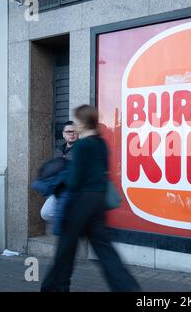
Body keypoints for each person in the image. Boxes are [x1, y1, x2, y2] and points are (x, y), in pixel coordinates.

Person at [41, 105, 140, 292]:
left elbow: (74, 179)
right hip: (98, 201)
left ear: (83, 123)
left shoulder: (83, 145)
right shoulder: (101, 143)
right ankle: (128, 289)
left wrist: (60, 178)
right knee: (105, 252)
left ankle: (53, 289)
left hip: (79, 202)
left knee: (65, 251)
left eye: (77, 121)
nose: (75, 125)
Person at [40, 121, 79, 224]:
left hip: (72, 190)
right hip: (57, 189)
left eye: (75, 132)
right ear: (63, 134)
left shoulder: (81, 149)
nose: (72, 134)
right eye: (69, 131)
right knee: (45, 213)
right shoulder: (59, 150)